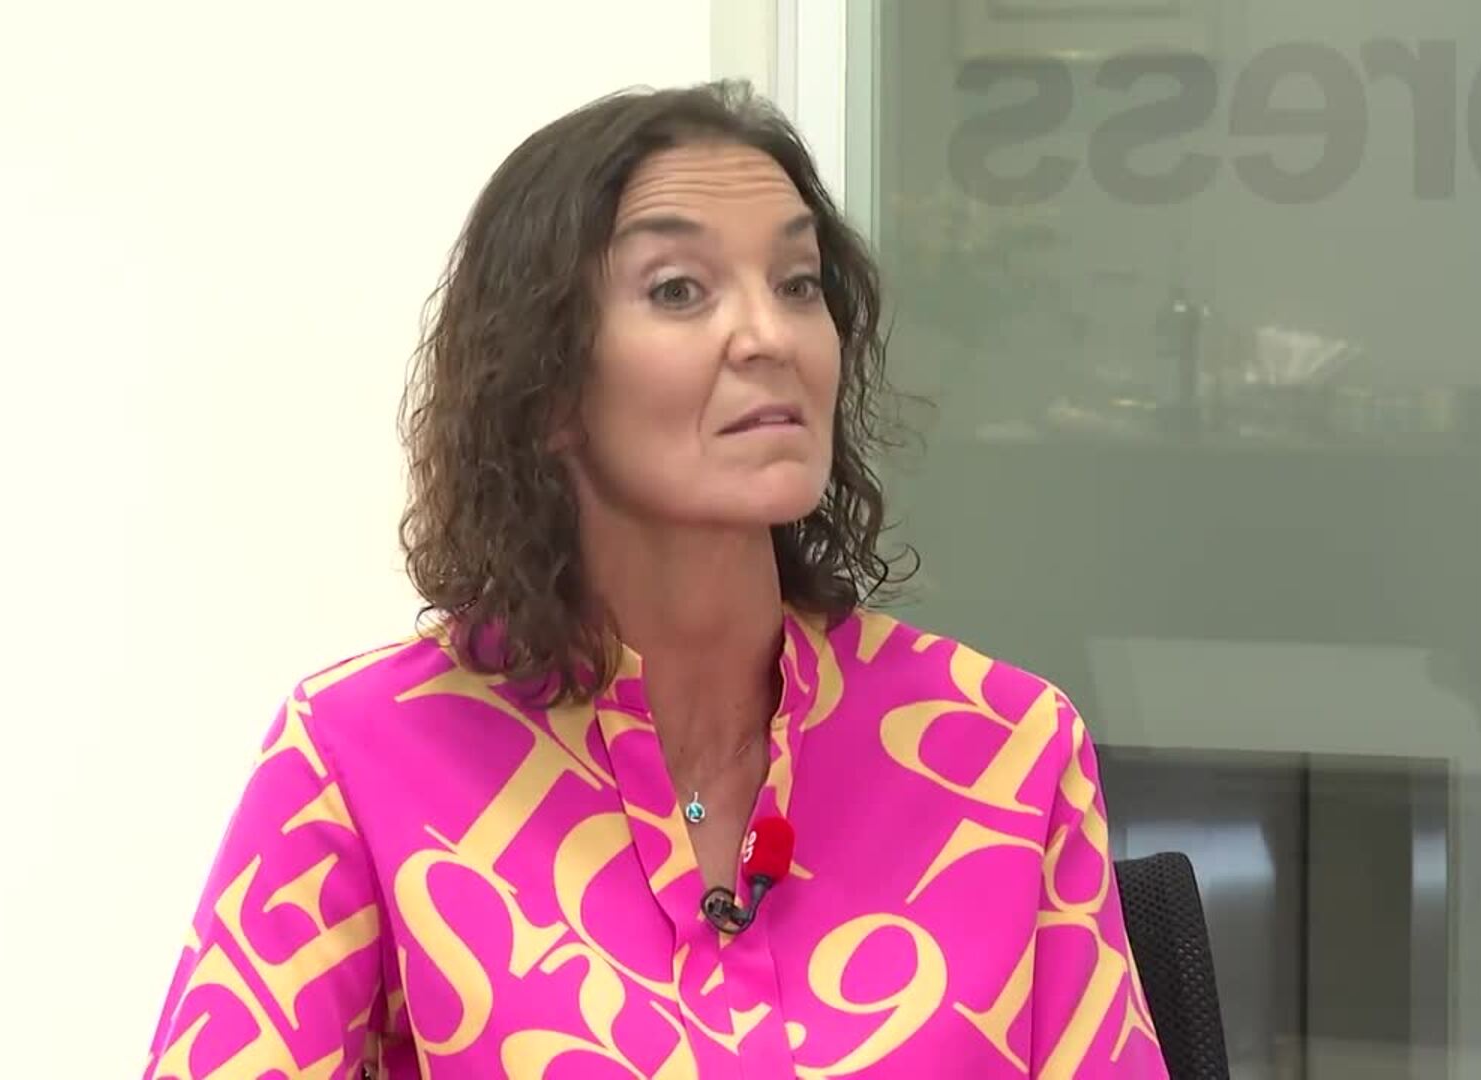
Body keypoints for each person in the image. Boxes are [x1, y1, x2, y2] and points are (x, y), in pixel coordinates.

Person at [141, 80, 1169, 1079]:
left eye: (798, 283)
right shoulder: (360, 758)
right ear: (545, 385)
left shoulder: (1003, 749)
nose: (768, 336)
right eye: (679, 290)